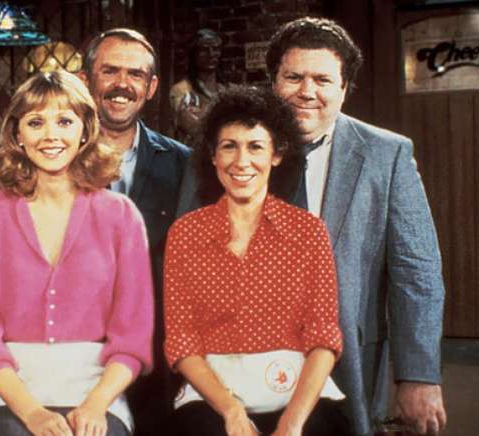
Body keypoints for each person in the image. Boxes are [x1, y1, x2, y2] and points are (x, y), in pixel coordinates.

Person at [266, 17, 447, 436]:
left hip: (351, 360)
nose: (306, 91)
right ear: (273, 82)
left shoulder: (387, 155)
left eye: (322, 80)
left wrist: (418, 374)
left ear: (344, 89)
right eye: (293, 77)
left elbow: (416, 272)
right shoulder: (237, 148)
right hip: (249, 359)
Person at [0, 70, 154, 436]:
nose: (50, 135)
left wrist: (95, 405)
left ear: (85, 130)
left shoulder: (121, 216)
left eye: (64, 121)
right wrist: (33, 413)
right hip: (4, 391)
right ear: (17, 134)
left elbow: (133, 337)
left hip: (96, 387)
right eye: (35, 122)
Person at [163, 85, 348, 436]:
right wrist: (231, 410)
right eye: (229, 146)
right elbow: (182, 340)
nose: (241, 161)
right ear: (213, 156)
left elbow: (323, 336)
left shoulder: (308, 231)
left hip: (299, 394)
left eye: (255, 147)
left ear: (277, 154)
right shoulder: (185, 234)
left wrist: (292, 423)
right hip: (213, 396)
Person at [80, 28, 191, 436]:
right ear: (85, 78)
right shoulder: (57, 157)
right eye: (110, 71)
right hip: (76, 345)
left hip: (154, 351)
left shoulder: (184, 164)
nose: (122, 84)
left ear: (152, 87)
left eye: (136, 74)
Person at [169, 28, 224, 148]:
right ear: (194, 54)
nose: (211, 54)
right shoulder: (181, 90)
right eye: (204, 50)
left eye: (215, 49)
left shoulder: (224, 91)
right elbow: (193, 127)